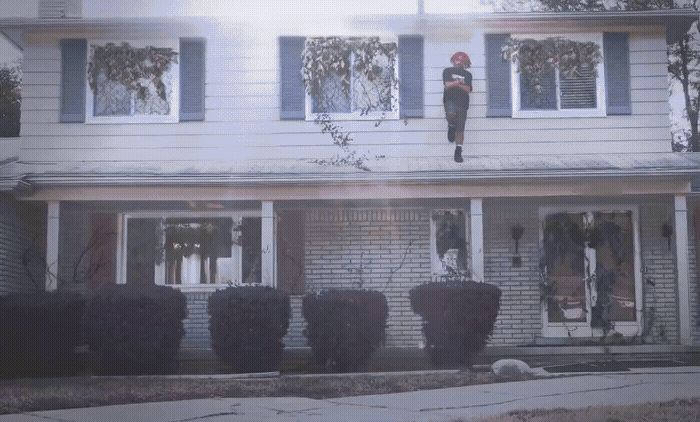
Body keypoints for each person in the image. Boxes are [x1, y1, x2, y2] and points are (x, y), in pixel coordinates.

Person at [443, 51, 472, 163]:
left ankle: (458, 151)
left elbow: (468, 89)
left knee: (460, 129)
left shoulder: (468, 75)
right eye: (457, 60)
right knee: (451, 114)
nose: (459, 62)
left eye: (462, 61)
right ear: (453, 60)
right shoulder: (447, 71)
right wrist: (460, 83)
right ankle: (451, 125)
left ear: (465, 63)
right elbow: (447, 85)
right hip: (450, 100)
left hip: (463, 103)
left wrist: (455, 83)